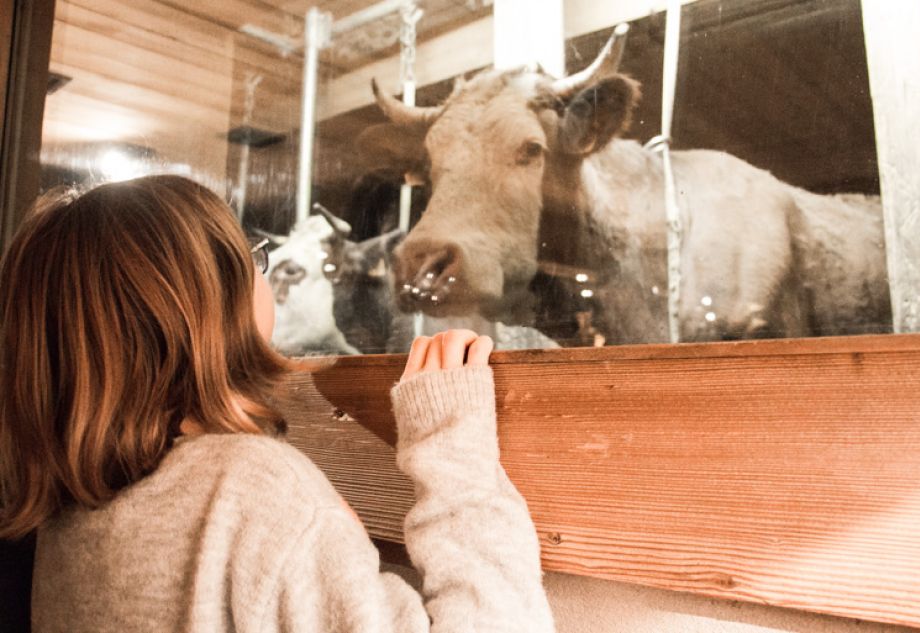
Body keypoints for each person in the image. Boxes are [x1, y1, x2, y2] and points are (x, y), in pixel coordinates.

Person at [0, 175, 555, 632]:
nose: (261, 270)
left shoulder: (68, 507)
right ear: (211, 299)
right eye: (254, 258)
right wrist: (453, 453)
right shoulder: (246, 486)